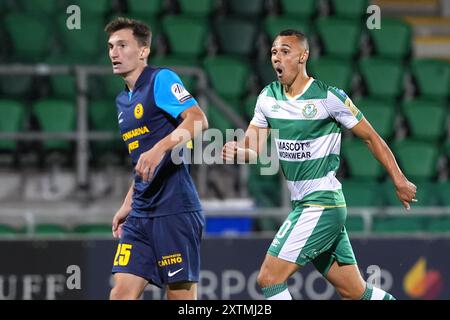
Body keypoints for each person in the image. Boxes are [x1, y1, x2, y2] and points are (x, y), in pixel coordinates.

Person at [222, 29, 417, 300]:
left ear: (303, 56)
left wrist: (399, 180)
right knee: (355, 293)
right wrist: (238, 152)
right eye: (274, 52)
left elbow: (371, 138)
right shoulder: (268, 97)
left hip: (322, 204)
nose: (277, 58)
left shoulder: (328, 97)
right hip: (306, 205)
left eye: (285, 51)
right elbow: (253, 149)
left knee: (269, 278)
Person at [105, 17, 208, 300]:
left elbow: (198, 120)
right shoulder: (122, 102)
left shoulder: (160, 79)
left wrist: (160, 148)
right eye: (111, 46)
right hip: (140, 214)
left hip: (174, 210)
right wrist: (127, 204)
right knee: (120, 296)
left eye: (122, 45)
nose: (114, 52)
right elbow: (143, 162)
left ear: (143, 51)